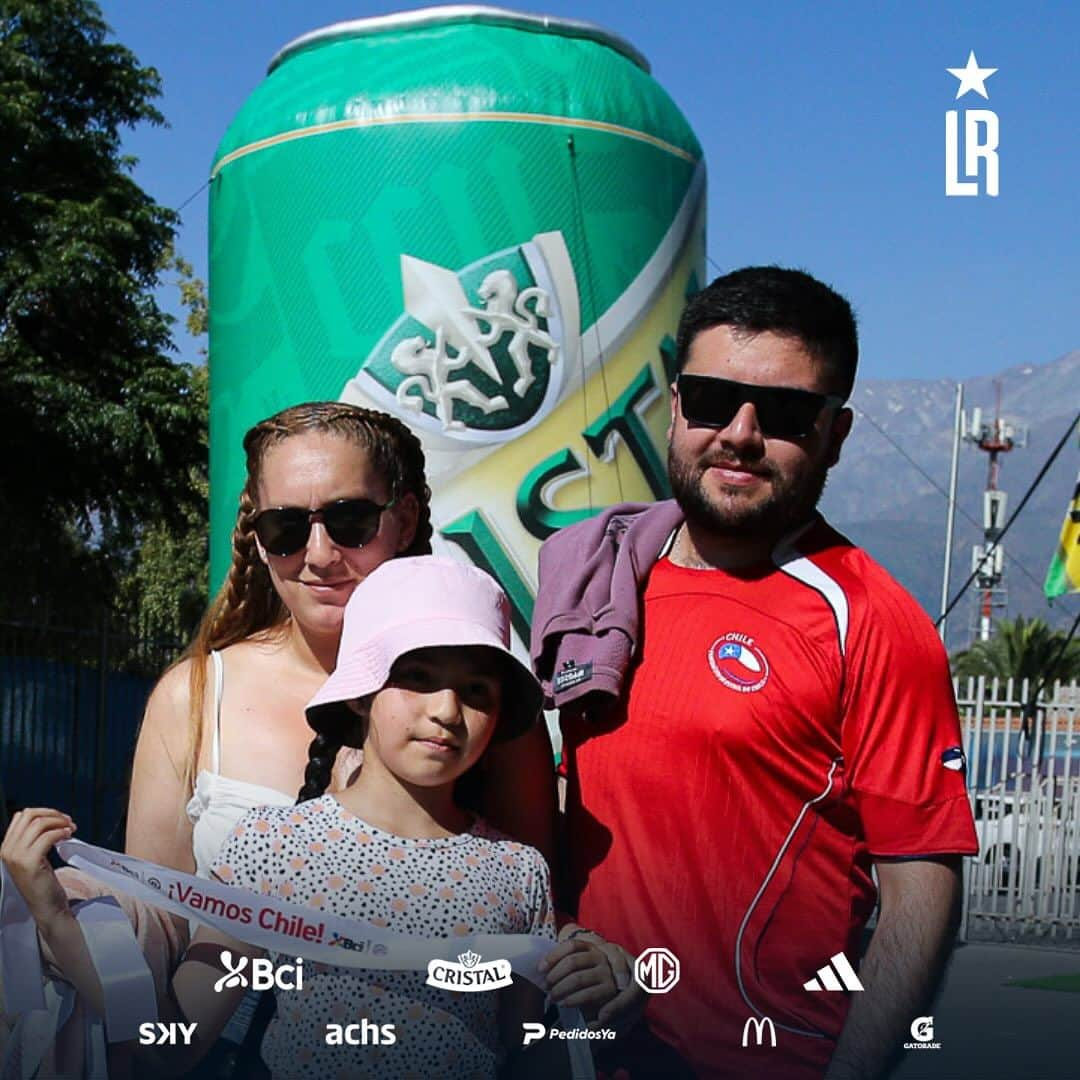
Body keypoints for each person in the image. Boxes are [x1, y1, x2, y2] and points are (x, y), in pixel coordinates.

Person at [532, 267, 979, 1079]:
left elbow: (919, 888)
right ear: (674, 408)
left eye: (782, 413)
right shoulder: (591, 579)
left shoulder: (874, 621)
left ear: (835, 435)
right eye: (711, 399)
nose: (738, 433)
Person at [2, 557, 616, 1077]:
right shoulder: (271, 849)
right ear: (360, 690)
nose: (446, 712)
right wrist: (55, 918)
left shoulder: (519, 872)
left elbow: (522, 1050)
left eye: (476, 690)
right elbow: (172, 1046)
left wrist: (602, 1001)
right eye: (415, 678)